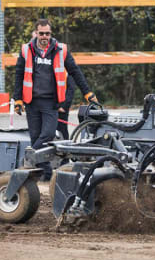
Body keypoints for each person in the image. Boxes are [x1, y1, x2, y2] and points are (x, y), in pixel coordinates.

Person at [14, 19, 98, 181]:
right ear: (36, 33)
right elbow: (19, 74)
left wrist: (87, 92)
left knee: (48, 134)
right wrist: (17, 99)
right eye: (41, 33)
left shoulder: (60, 50)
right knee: (36, 137)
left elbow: (75, 71)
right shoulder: (26, 50)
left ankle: (25, 160)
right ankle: (45, 174)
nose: (44, 36)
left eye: (47, 33)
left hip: (50, 102)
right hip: (31, 102)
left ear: (51, 34)